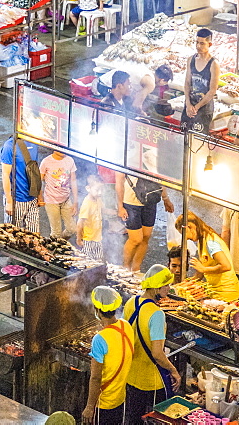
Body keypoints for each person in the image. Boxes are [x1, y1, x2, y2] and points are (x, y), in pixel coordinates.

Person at [124, 265, 180, 422]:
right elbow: (157, 354)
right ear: (156, 287)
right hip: (151, 380)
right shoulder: (157, 314)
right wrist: (173, 370)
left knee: (134, 418)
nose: (169, 288)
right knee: (159, 418)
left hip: (131, 373)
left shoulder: (131, 302)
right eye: (166, 285)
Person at [83, 286, 133, 425]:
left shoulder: (100, 339)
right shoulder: (126, 326)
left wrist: (89, 407)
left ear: (97, 310)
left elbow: (96, 377)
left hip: (103, 403)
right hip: (120, 399)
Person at [119, 165, 172, 273]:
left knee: (146, 236)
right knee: (136, 239)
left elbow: (160, 178)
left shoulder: (153, 154)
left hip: (150, 200)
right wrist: (120, 206)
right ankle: (125, 267)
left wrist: (166, 199)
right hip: (131, 202)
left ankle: (136, 268)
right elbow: (119, 182)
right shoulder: (126, 155)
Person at [179, 211, 239, 302]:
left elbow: (226, 266)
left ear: (190, 227)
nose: (186, 238)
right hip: (215, 290)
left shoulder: (211, 242)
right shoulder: (201, 240)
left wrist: (203, 269)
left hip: (226, 292)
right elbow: (203, 268)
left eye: (184, 234)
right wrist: (191, 281)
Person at [182, 28, 220, 133]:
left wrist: (196, 107)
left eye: (202, 43)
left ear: (210, 44)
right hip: (190, 105)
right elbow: (187, 83)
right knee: (183, 135)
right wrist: (188, 104)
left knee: (197, 140)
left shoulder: (213, 64)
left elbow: (212, 90)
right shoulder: (191, 59)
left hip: (204, 108)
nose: (198, 46)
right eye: (197, 43)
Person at [1, 136, 40, 231]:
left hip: (32, 197)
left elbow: (35, 171)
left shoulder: (34, 143)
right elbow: (5, 175)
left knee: (34, 234)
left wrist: (39, 194)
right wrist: (9, 202)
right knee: (13, 234)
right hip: (17, 199)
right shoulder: (9, 146)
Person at [38, 151, 78, 239]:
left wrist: (75, 202)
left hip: (66, 199)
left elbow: (73, 181)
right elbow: (39, 181)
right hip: (51, 200)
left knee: (72, 229)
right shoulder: (46, 161)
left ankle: (59, 243)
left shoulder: (70, 160)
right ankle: (54, 249)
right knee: (56, 232)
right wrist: (39, 196)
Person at [76, 175, 105, 262]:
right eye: (97, 190)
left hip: (97, 238)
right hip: (88, 239)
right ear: (88, 188)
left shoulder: (98, 199)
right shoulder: (87, 204)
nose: (100, 193)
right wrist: (79, 238)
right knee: (87, 261)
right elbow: (79, 223)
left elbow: (103, 210)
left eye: (101, 190)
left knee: (99, 260)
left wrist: (117, 212)